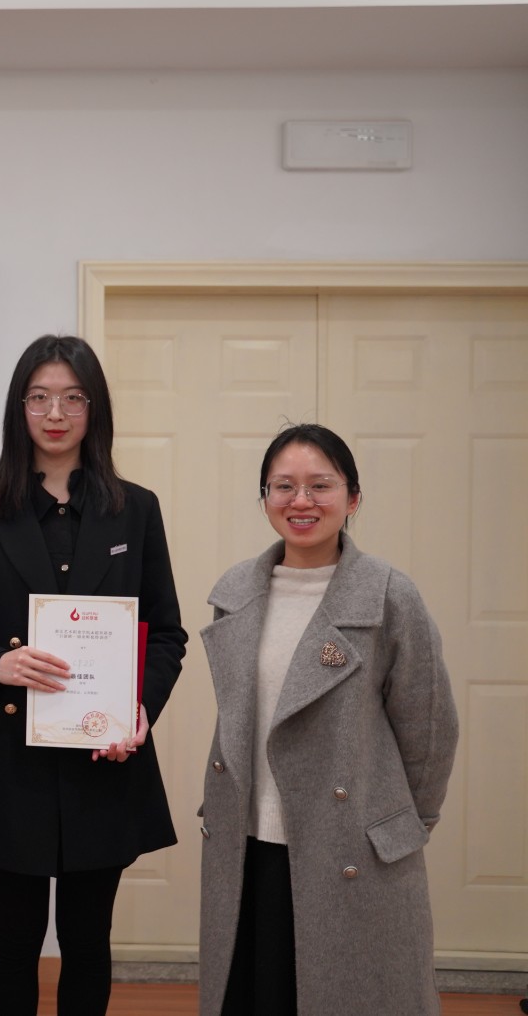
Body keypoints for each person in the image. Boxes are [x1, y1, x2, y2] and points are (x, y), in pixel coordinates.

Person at [0, 335, 186, 1016]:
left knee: (88, 938)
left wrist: (138, 710)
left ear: (94, 408)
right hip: (6, 755)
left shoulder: (135, 509)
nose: (55, 413)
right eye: (40, 397)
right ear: (19, 407)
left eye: (73, 398)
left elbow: (167, 633)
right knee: (15, 935)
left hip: (103, 756)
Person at [197, 423, 458, 1016]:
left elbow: (430, 730)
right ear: (265, 497)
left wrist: (397, 826)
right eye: (283, 486)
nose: (301, 501)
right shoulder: (235, 591)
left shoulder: (388, 595)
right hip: (247, 841)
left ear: (353, 497)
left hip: (349, 848)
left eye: (320, 485)